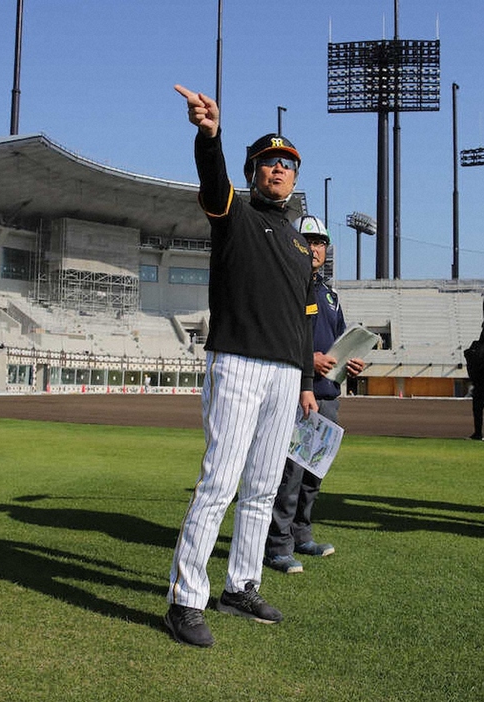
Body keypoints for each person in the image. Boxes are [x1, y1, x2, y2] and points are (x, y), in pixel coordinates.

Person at [165, 84, 318, 648]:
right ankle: (185, 600)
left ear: (295, 179)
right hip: (237, 363)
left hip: (283, 375)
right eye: (269, 162)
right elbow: (211, 178)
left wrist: (305, 379)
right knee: (219, 484)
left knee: (260, 487)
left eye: (287, 164)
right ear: (253, 170)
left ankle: (241, 585)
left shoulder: (302, 246)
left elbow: (303, 324)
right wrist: (210, 136)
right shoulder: (234, 211)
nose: (278, 170)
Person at [264, 215, 365, 574]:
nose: (314, 247)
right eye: (307, 240)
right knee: (289, 473)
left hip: (327, 394)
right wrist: (310, 359)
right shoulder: (281, 287)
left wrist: (350, 364)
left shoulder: (331, 296)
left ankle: (301, 534)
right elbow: (269, 338)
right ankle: (277, 545)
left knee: (314, 474)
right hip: (294, 392)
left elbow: (338, 343)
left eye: (320, 241)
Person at [464, 307, 484, 440]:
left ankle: (477, 433)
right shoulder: (478, 347)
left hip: (480, 383)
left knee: (477, 409)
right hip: (480, 382)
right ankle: (477, 434)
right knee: (477, 409)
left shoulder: (477, 348)